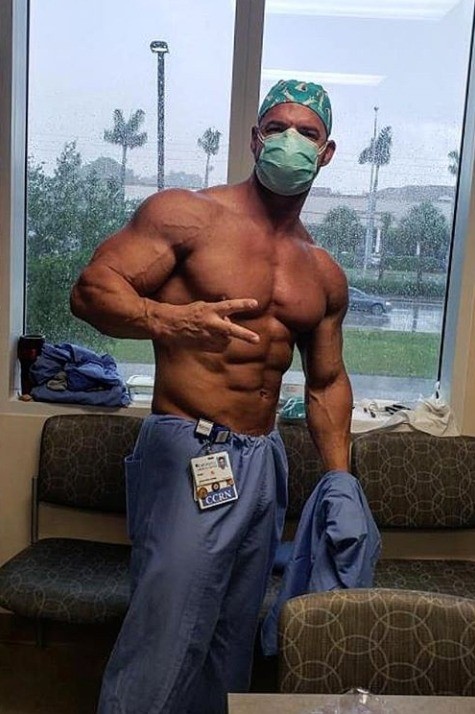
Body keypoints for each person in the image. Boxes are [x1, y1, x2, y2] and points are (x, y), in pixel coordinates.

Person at [70, 78, 352, 714]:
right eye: (277, 128)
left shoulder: (322, 270)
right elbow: (90, 291)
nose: (290, 141)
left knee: (232, 635)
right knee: (166, 634)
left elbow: (327, 381)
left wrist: (341, 484)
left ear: (326, 152)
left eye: (307, 133)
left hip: (264, 460)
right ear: (255, 139)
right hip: (190, 445)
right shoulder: (187, 215)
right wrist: (169, 320)